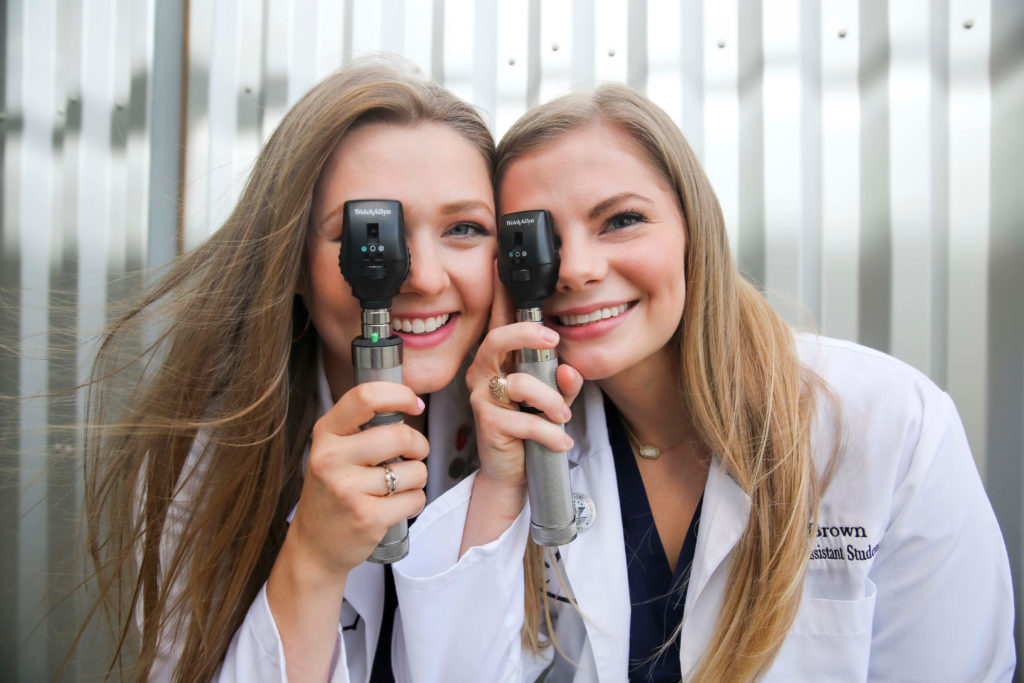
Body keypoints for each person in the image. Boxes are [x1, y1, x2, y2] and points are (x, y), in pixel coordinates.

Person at [392, 84, 1016, 681]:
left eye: (621, 220)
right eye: (539, 239)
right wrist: (502, 486)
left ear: (695, 229)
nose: (577, 269)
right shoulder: (511, 435)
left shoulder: (889, 422)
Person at [83, 57, 497, 681]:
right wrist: (313, 557)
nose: (424, 278)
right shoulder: (207, 453)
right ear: (294, 263)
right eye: (369, 236)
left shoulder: (558, 425)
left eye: (464, 228)